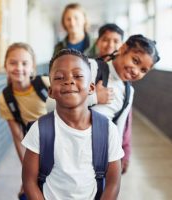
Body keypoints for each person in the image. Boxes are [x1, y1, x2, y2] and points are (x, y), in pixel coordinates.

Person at [22, 49, 124, 200]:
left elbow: (113, 183)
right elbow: (29, 181)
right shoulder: (40, 129)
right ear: (50, 91)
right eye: (59, 77)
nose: (69, 81)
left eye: (78, 76)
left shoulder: (108, 130)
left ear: (91, 88)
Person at [89, 34, 160, 167]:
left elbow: (119, 130)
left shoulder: (128, 92)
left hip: (97, 159)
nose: (136, 71)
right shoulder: (92, 68)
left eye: (143, 70)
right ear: (123, 48)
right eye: (135, 60)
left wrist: (119, 158)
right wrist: (93, 97)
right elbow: (52, 104)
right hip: (68, 149)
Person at [0, 42, 50, 200]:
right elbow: (18, 137)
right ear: (5, 65)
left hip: (58, 142)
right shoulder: (5, 99)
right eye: (13, 63)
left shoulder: (46, 84)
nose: (19, 68)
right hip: (34, 149)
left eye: (24, 63)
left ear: (32, 66)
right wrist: (27, 175)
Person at [89, 23, 131, 174]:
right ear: (97, 42)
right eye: (105, 39)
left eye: (115, 41)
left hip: (107, 150)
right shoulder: (87, 68)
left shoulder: (124, 80)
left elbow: (124, 120)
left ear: (122, 46)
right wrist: (94, 97)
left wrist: (125, 151)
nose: (110, 45)